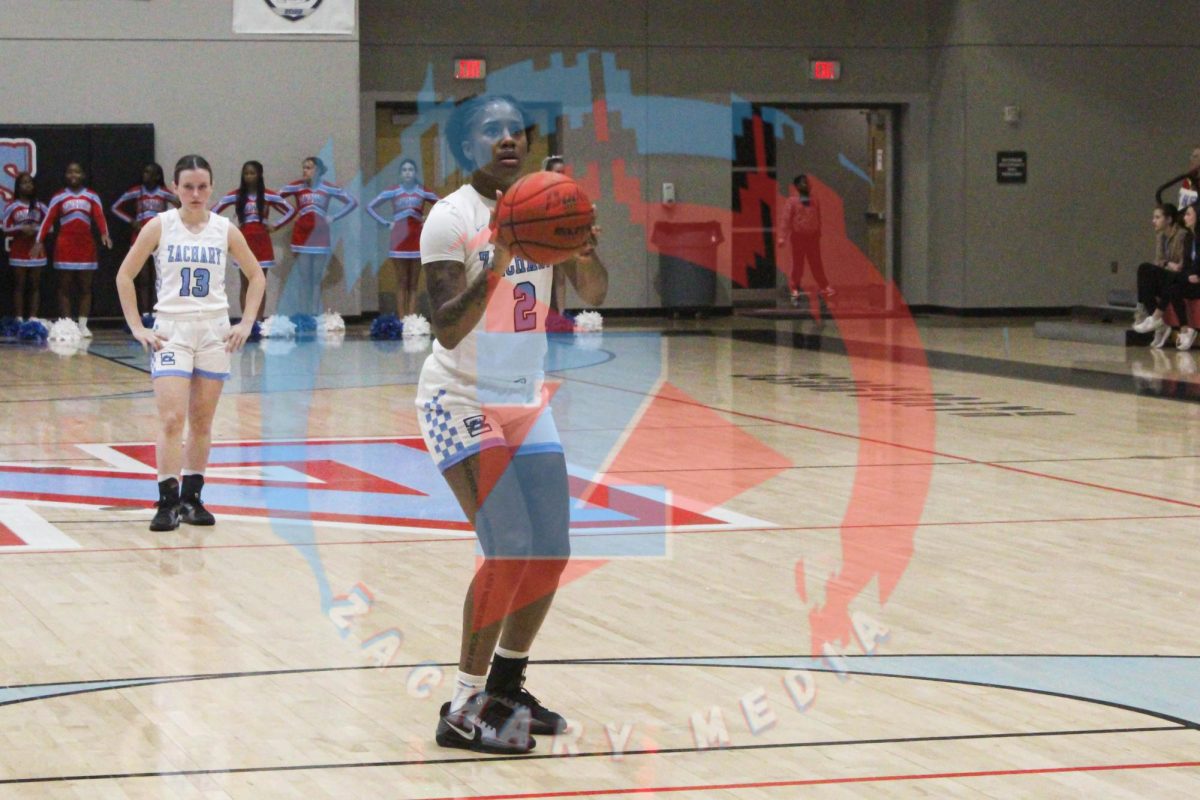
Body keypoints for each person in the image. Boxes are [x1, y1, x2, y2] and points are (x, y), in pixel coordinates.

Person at [417, 94, 606, 754]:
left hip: (525, 400)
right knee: (508, 544)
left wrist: (580, 247)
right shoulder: (450, 220)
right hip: (459, 400)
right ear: (468, 146)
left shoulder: (546, 204)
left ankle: (505, 686)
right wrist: (496, 261)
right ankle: (464, 705)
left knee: (550, 550)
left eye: (514, 129)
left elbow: (596, 293)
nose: (507, 138)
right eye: (490, 129)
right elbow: (444, 329)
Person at [115, 155, 265, 532]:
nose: (196, 193)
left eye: (202, 186)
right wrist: (137, 325)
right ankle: (166, 501)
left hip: (214, 330)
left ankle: (192, 499)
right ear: (175, 189)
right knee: (170, 418)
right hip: (172, 330)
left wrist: (246, 321)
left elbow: (256, 276)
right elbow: (125, 275)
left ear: (212, 187)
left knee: (201, 420)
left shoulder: (224, 228)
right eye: (188, 187)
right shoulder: (159, 225)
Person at [32, 162, 112, 336]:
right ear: (65, 175)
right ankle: (67, 324)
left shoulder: (92, 196)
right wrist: (39, 240)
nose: (73, 175)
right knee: (64, 287)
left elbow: (99, 215)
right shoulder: (59, 196)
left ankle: (83, 325)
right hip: (65, 245)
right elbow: (48, 219)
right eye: (69, 172)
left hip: (86, 245)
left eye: (77, 171)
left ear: (83, 175)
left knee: (85, 287)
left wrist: (104, 234)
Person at [212, 160, 296, 322]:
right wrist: (227, 228)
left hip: (262, 241)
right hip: (243, 242)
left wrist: (276, 226)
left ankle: (258, 321)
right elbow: (214, 210)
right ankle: (247, 322)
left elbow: (291, 210)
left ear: (259, 175)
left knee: (259, 283)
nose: (249, 176)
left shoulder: (268, 194)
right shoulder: (236, 195)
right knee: (245, 284)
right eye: (246, 173)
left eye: (252, 173)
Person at [280, 156, 357, 315]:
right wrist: (291, 213)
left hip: (320, 235)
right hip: (301, 235)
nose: (305, 171)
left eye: (309, 167)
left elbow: (352, 202)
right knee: (303, 279)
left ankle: (314, 315)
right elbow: (274, 198)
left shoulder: (327, 187)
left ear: (319, 171)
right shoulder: (297, 186)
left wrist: (334, 218)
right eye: (304, 167)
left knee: (315, 279)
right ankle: (303, 315)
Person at [365, 158, 438, 316]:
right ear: (400, 174)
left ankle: (411, 319)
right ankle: (401, 319)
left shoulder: (423, 191)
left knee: (414, 283)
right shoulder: (393, 190)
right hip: (398, 239)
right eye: (404, 170)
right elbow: (369, 206)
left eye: (410, 169)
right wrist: (386, 223)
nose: (407, 173)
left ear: (416, 173)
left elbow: (443, 204)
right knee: (402, 281)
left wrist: (428, 218)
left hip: (417, 238)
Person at [111, 163, 180, 315]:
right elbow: (115, 207)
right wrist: (131, 221)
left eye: (150, 173)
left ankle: (157, 311)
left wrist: (170, 221)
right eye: (145, 172)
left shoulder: (163, 192)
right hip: (140, 237)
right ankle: (144, 313)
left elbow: (181, 205)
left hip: (159, 237)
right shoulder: (136, 191)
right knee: (142, 277)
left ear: (157, 176)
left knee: (158, 276)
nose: (146, 175)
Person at [1132, 203, 1188, 348]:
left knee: (1146, 269)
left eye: (1157, 217)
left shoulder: (1182, 235)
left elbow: (1182, 265)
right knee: (1144, 271)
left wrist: (1167, 264)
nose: (1153, 221)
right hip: (1168, 274)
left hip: (1179, 277)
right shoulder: (1161, 237)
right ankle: (1157, 323)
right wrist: (1168, 264)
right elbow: (1158, 262)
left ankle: (1154, 319)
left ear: (1169, 220)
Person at [777, 173, 832, 303]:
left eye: (807, 182)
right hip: (798, 237)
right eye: (803, 183)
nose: (806, 185)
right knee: (798, 264)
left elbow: (818, 218)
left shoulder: (814, 200)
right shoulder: (792, 201)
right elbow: (785, 220)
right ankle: (794, 287)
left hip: (812, 237)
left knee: (816, 263)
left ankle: (824, 286)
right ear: (797, 186)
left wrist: (818, 233)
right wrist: (782, 237)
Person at [1, 172, 49, 319]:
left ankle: (33, 317)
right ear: (18, 187)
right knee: (19, 285)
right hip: (18, 248)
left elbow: (51, 227)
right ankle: (19, 318)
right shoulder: (12, 206)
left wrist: (36, 229)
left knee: (35, 285)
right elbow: (3, 227)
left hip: (36, 249)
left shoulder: (41, 206)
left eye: (30, 182)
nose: (27, 185)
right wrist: (19, 229)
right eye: (24, 183)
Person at [1166, 202, 1200, 351]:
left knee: (1170, 279)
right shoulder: (1188, 238)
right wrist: (1188, 276)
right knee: (1173, 287)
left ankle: (1157, 318)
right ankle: (1185, 328)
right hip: (1191, 280)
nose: (1184, 217)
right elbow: (1186, 265)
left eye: (1188, 214)